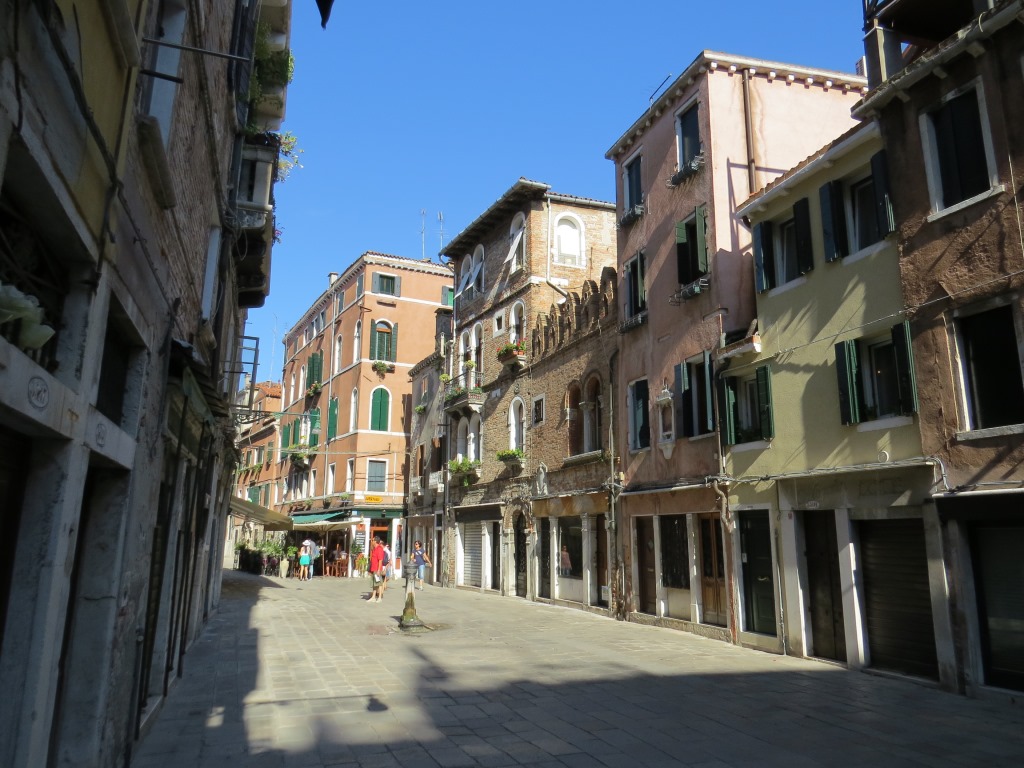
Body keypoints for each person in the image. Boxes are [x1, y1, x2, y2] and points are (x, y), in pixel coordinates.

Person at [367, 537, 385, 603]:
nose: (371, 541)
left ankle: (379, 597)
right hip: (373, 569)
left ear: (375, 541)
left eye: (372, 540)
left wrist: (379, 570)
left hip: (377, 569)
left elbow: (380, 560)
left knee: (379, 583)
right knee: (374, 583)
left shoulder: (379, 549)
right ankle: (373, 597)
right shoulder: (374, 549)